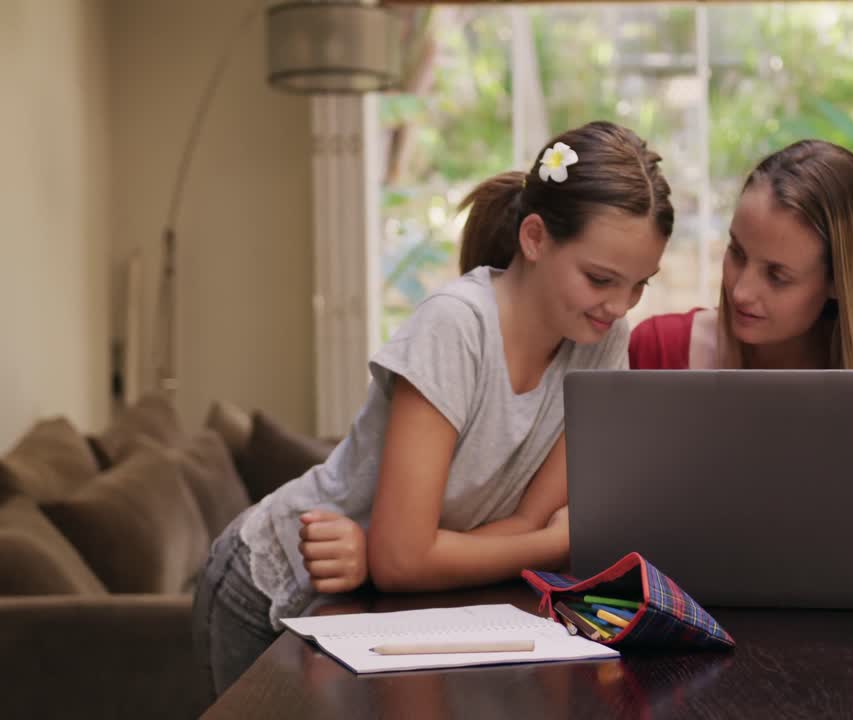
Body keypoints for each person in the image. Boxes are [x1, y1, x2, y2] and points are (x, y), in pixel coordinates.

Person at [193, 120, 674, 697]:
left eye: (640, 285)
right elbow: (417, 557)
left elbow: (519, 524)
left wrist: (405, 556)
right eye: (600, 279)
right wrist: (559, 543)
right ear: (535, 238)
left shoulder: (603, 342)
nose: (620, 306)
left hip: (378, 601)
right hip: (273, 588)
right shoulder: (454, 327)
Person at [628, 139, 853, 576]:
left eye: (777, 275)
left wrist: (817, 412)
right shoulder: (660, 347)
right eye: (736, 252)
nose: (741, 290)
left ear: (838, 281)